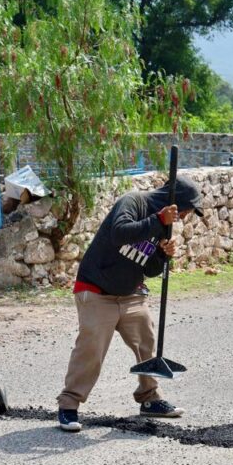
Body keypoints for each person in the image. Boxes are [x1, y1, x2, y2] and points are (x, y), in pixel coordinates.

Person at [56, 176, 204, 432]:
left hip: (131, 294)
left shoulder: (164, 224)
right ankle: (69, 404)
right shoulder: (134, 202)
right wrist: (158, 220)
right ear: (176, 201)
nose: (185, 216)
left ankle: (150, 398)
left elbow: (149, 269)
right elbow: (119, 233)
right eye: (187, 210)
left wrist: (162, 255)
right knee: (91, 347)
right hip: (96, 290)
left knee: (147, 341)